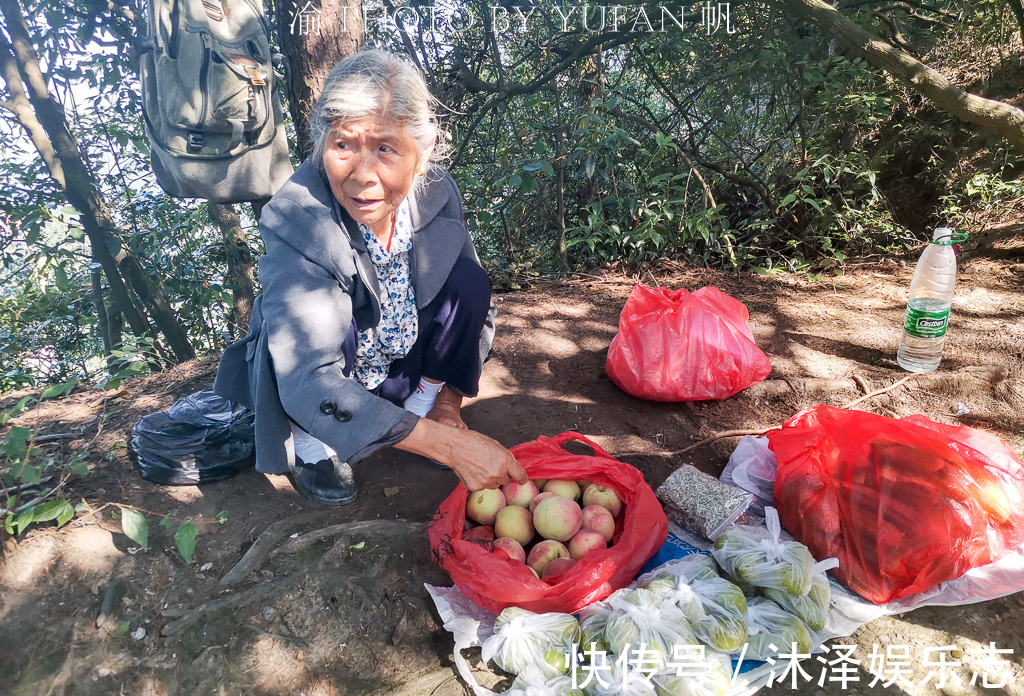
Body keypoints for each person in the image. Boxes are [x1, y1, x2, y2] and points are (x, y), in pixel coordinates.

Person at [214, 50, 527, 505]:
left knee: (469, 282)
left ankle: (422, 404)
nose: (363, 177)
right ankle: (311, 444)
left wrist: (445, 407)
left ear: (422, 152)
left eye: (385, 148)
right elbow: (307, 376)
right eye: (343, 145)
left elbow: (471, 309)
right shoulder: (296, 216)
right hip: (328, 380)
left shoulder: (437, 191)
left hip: (400, 360)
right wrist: (452, 447)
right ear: (323, 143)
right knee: (320, 321)